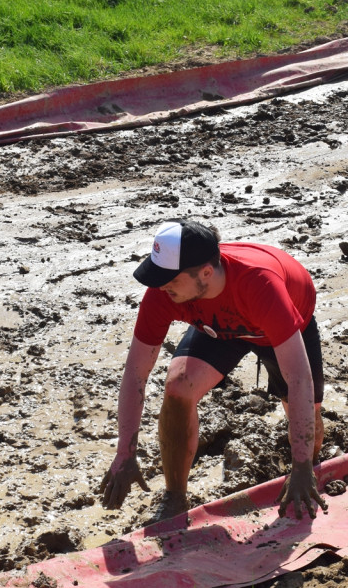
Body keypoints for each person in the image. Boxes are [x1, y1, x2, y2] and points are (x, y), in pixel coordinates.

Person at [100, 219, 328, 521]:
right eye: (158, 277)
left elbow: (299, 378)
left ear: (206, 272)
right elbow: (135, 372)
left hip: (277, 322)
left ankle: (306, 474)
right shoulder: (166, 291)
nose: (161, 286)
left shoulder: (260, 284)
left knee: (305, 410)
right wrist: (125, 453)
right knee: (178, 386)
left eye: (170, 279)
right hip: (219, 327)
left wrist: (300, 466)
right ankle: (175, 497)